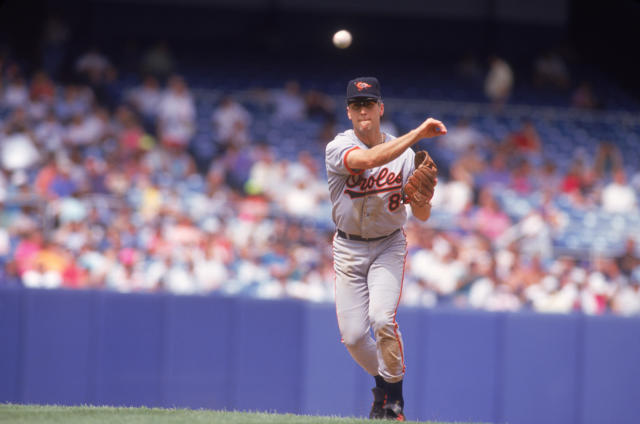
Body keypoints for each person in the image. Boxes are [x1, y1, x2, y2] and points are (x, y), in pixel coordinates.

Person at [325, 77, 446, 421]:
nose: (363, 111)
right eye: (357, 105)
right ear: (349, 112)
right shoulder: (337, 147)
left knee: (381, 319)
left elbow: (421, 215)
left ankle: (395, 401)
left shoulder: (406, 156)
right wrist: (418, 133)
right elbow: (369, 159)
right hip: (348, 248)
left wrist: (421, 199)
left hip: (387, 246)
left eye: (369, 104)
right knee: (351, 337)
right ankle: (383, 384)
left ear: (380, 108)